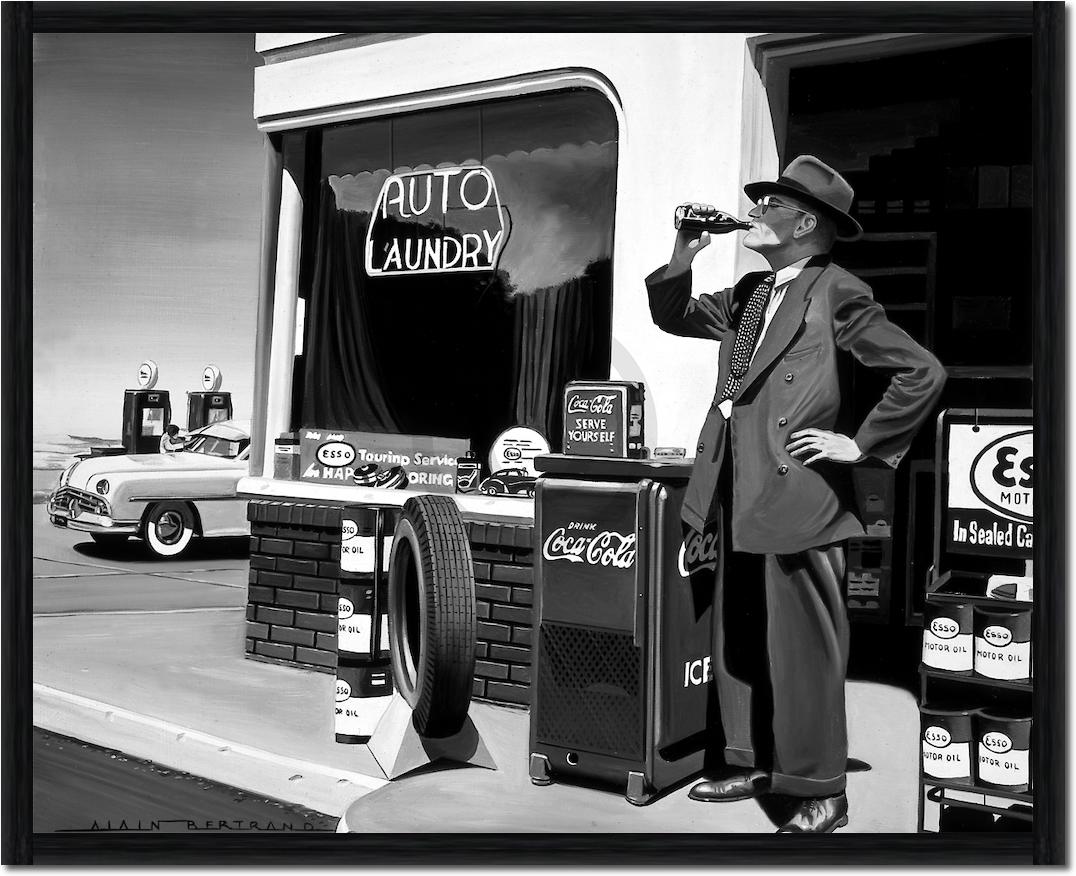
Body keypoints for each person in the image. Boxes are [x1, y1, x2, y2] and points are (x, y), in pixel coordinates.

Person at [645, 155, 946, 833]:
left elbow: (920, 371)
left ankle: (823, 792)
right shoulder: (751, 291)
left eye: (766, 205)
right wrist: (684, 250)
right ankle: (754, 763)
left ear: (804, 222)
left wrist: (864, 446)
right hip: (732, 489)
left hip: (799, 498)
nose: (750, 212)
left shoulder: (838, 291)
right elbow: (672, 314)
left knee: (805, 651)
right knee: (741, 638)